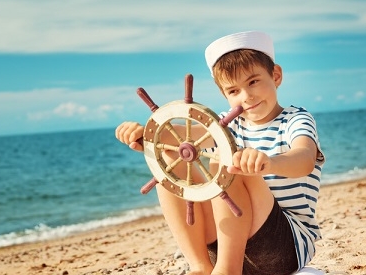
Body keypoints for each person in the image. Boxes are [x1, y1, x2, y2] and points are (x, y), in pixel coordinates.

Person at [115, 31, 326, 275]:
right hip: (227, 243)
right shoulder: (226, 126)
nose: (247, 96)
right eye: (234, 91)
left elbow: (304, 159)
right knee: (170, 162)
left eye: (253, 82)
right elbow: (174, 135)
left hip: (283, 248)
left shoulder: (295, 119)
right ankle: (201, 266)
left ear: (275, 75)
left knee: (229, 164)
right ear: (224, 95)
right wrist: (143, 135)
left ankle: (227, 270)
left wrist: (268, 162)